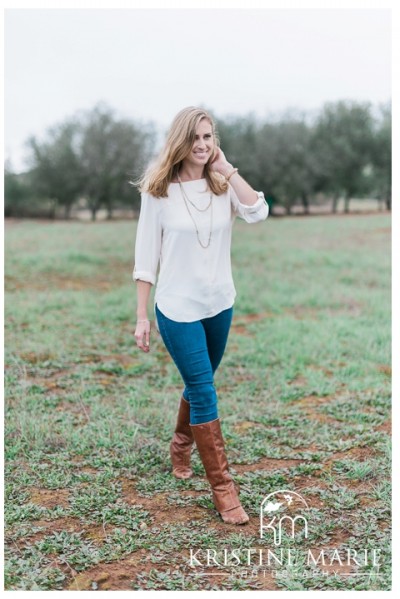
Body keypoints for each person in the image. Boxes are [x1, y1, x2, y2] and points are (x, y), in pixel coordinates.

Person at [132, 107, 268, 525]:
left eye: (209, 137)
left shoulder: (223, 183)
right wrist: (142, 316)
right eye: (196, 138)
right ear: (180, 140)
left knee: (201, 380)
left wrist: (227, 168)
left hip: (219, 303)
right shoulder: (158, 192)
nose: (203, 145)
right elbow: (145, 258)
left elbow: (258, 212)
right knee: (204, 389)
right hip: (176, 307)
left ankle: (180, 442)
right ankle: (225, 492)